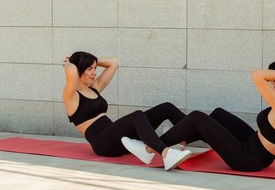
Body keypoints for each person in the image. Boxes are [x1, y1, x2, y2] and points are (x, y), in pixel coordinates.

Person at [127, 57, 275, 172]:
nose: (272, 85)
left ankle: (150, 149)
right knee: (218, 115)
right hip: (256, 149)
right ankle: (180, 142)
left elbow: (257, 75)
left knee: (197, 117)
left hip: (246, 159)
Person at [62, 51, 192, 171]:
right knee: (137, 116)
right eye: (89, 69)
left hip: (119, 138)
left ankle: (192, 133)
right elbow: (72, 71)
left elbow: (113, 63)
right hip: (103, 144)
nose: (94, 73)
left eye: (95, 68)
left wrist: (92, 60)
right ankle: (166, 154)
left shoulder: (94, 88)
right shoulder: (71, 97)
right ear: (79, 69)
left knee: (166, 108)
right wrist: (70, 64)